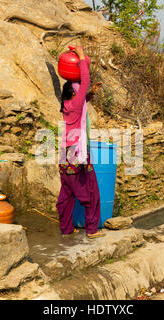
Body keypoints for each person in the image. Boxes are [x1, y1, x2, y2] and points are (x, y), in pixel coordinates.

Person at [56, 46, 105, 239]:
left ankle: (67, 229)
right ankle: (92, 229)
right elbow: (84, 81)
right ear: (74, 95)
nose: (81, 95)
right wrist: (81, 55)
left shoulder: (68, 106)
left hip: (64, 156)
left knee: (66, 194)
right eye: (80, 93)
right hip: (77, 154)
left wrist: (90, 94)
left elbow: (82, 100)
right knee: (90, 192)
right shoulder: (76, 103)